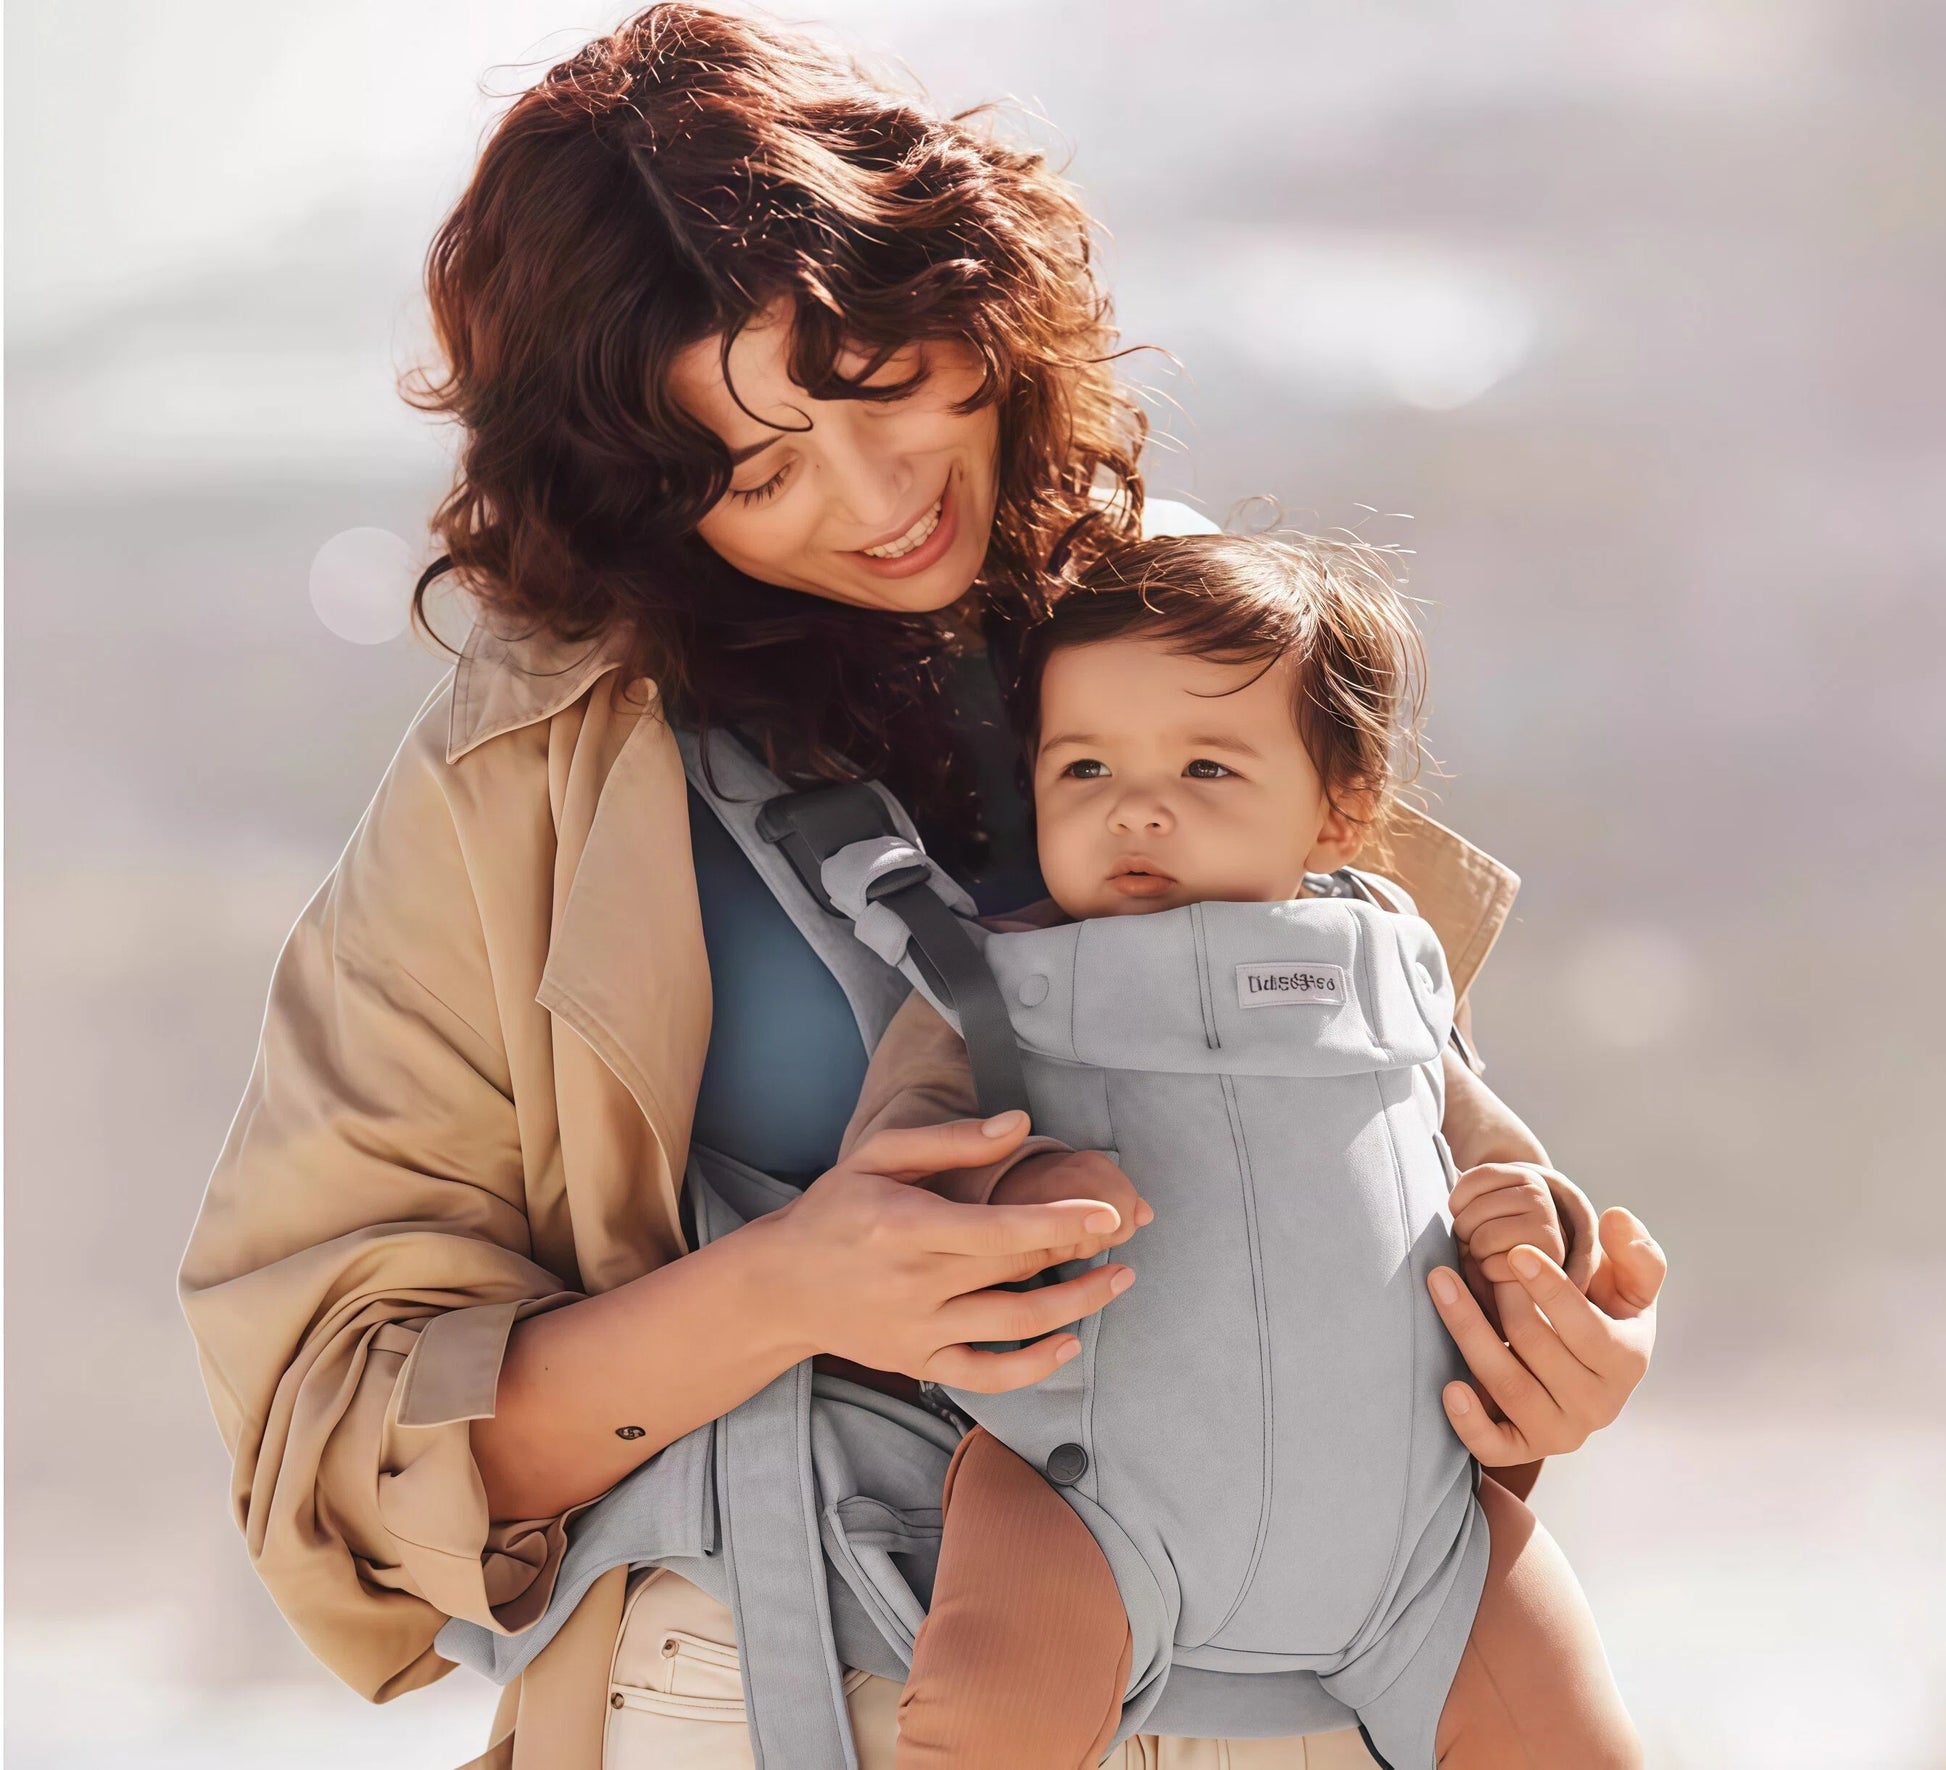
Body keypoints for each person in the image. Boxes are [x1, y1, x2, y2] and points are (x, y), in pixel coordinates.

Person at [177, 9, 1666, 1768]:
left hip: (1310, 1702)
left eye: (884, 393)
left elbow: (1377, 1168)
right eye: (759, 469)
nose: (879, 503)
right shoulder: (524, 780)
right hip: (788, 1698)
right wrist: (790, 1290)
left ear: (978, 303)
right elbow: (330, 1448)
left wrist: (1543, 1348)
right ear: (634, 497)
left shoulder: (1214, 635)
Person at [841, 531, 1639, 1768]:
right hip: (1091, 1509)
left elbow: (1495, 1154)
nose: (1135, 805)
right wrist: (1012, 1185)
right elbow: (891, 1169)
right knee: (987, 1713)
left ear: (1340, 809)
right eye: (1084, 767)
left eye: (1207, 766)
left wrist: (1532, 1227)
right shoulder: (991, 986)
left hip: (1415, 1543)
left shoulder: (1389, 966)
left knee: (1566, 1731)